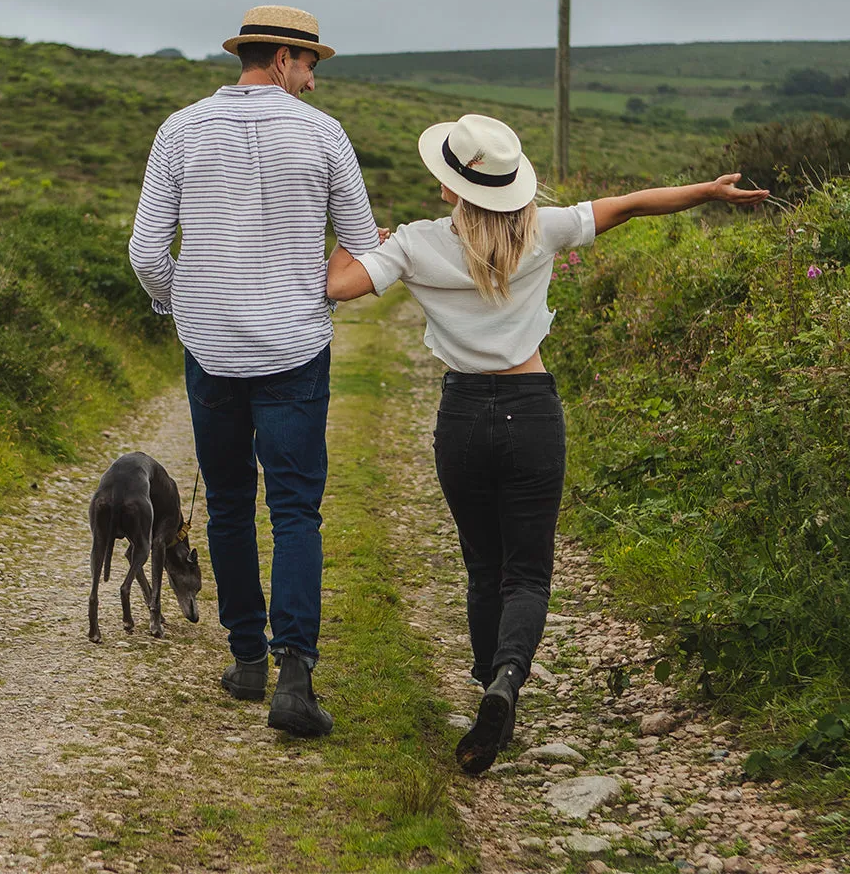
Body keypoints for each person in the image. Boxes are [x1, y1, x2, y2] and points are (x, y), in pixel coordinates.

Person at [326, 113, 768, 772]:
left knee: (482, 565)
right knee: (527, 571)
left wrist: (360, 241)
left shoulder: (416, 243)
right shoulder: (545, 228)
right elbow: (636, 205)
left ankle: (485, 687)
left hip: (464, 416)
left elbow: (339, 288)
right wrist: (708, 191)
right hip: (533, 412)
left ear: (450, 186)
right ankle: (508, 680)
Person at [129, 5, 382, 737]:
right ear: (279, 59)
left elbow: (147, 255)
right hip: (295, 347)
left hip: (211, 351)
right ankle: (295, 679)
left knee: (233, 503)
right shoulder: (325, 135)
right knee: (296, 509)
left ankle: (246, 662)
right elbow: (361, 246)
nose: (310, 82)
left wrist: (189, 305)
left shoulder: (178, 130)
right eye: (308, 67)